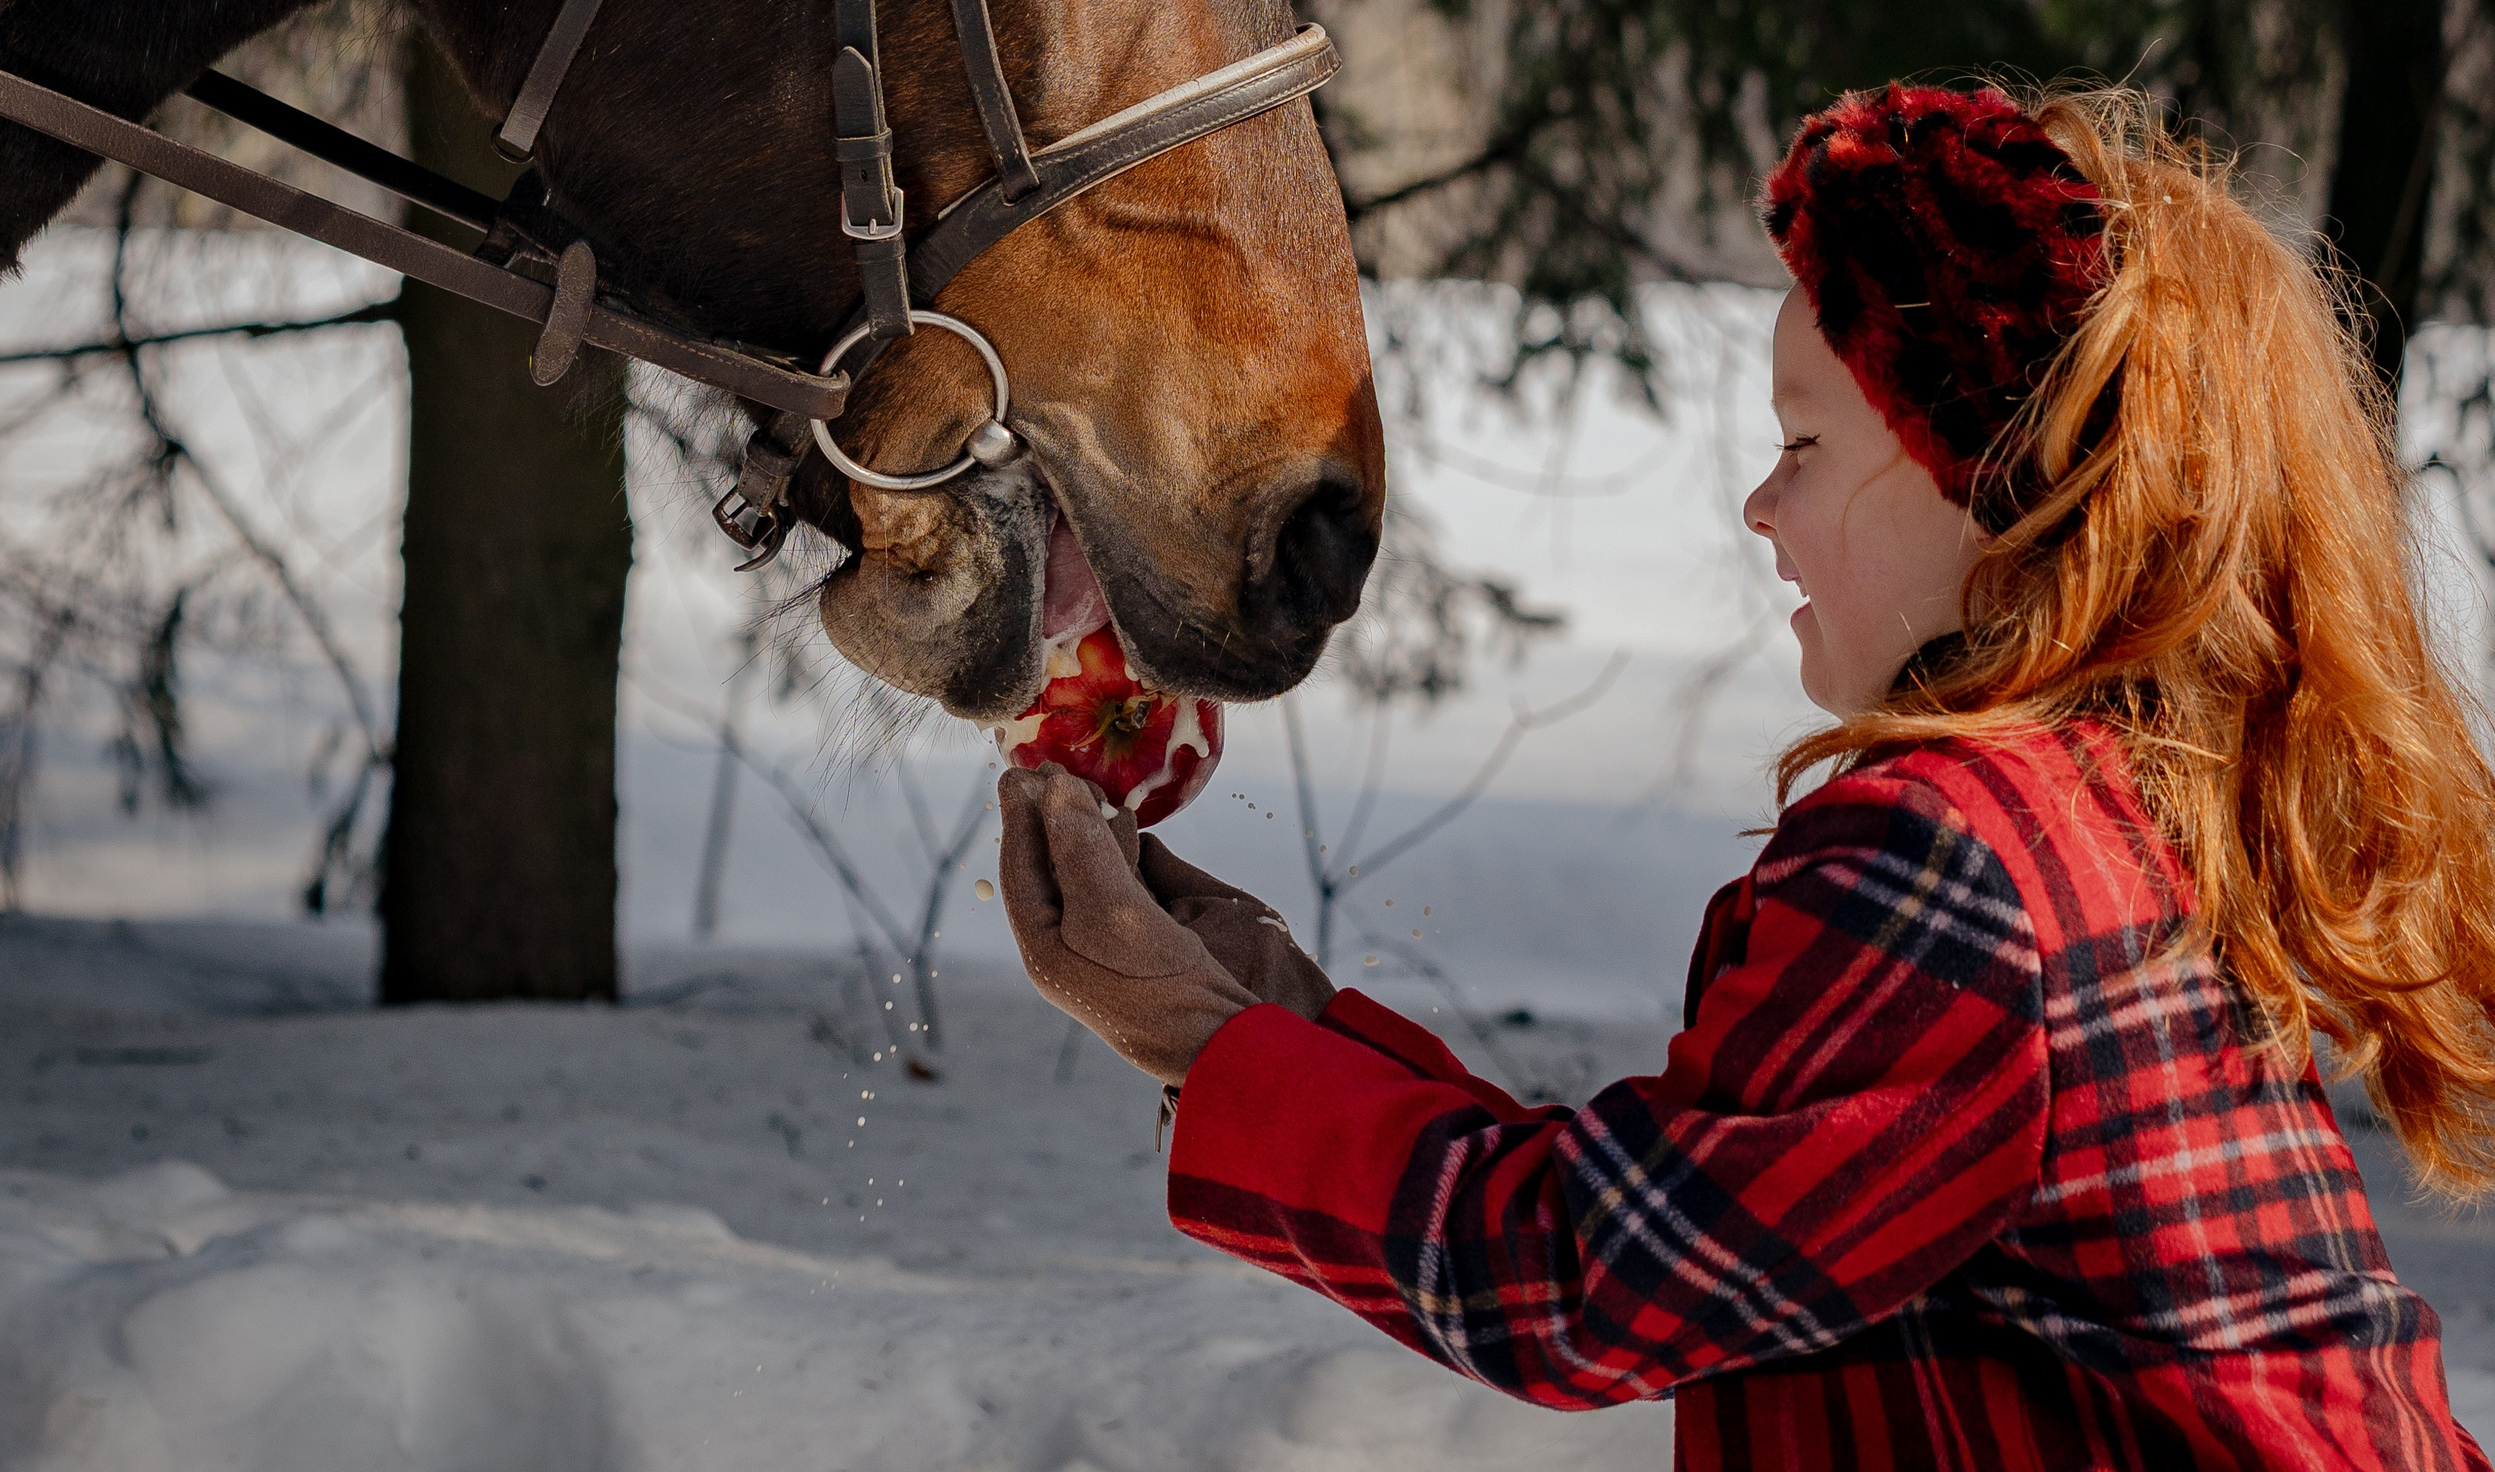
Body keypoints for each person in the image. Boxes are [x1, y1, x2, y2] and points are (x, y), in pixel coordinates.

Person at [1000, 82, 2495, 1470]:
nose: (1758, 505)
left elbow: (1591, 1283)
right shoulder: (2099, 804)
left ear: (1985, 478)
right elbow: (1682, 1200)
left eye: (1803, 443)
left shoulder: (1949, 861)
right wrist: (1288, 1023)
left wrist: (1213, 1047)